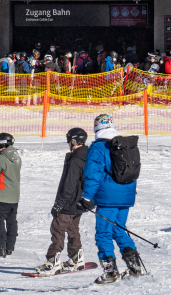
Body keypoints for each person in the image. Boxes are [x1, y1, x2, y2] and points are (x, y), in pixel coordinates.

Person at [78, 114, 145, 283]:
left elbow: (94, 175)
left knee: (103, 233)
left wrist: (86, 197)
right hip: (126, 195)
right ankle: (135, 267)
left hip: (108, 197)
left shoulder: (98, 147)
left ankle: (110, 272)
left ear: (96, 128)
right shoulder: (124, 145)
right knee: (118, 229)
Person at [34, 127, 89, 276]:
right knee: (73, 230)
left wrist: (60, 203)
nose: (68, 143)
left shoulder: (76, 159)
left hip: (69, 202)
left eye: (69, 140)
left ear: (74, 141)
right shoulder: (87, 156)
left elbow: (69, 184)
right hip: (79, 202)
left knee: (57, 229)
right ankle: (76, 259)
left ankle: (53, 263)